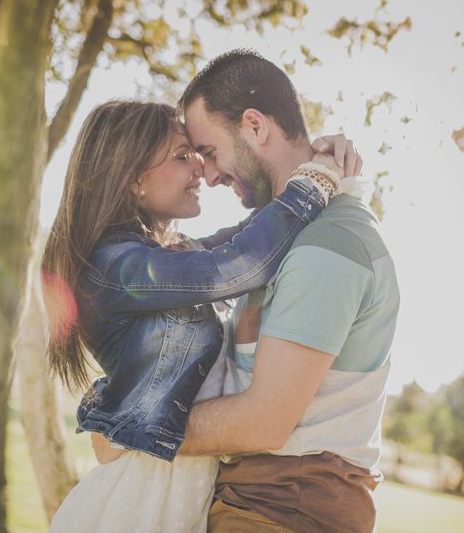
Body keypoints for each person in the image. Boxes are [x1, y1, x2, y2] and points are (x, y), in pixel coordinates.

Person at [43, 99, 358, 532]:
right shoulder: (118, 266)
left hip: (180, 486)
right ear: (133, 179)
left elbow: (247, 238)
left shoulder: (157, 257)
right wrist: (313, 181)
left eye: (197, 152)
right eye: (181, 155)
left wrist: (310, 166)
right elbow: (238, 263)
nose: (199, 169)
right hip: (140, 496)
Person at [170, 49, 399, 533]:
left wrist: (135, 427)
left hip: (285, 511)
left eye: (209, 152)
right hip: (257, 504)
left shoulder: (329, 245)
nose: (207, 176)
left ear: (255, 126)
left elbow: (265, 421)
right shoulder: (279, 237)